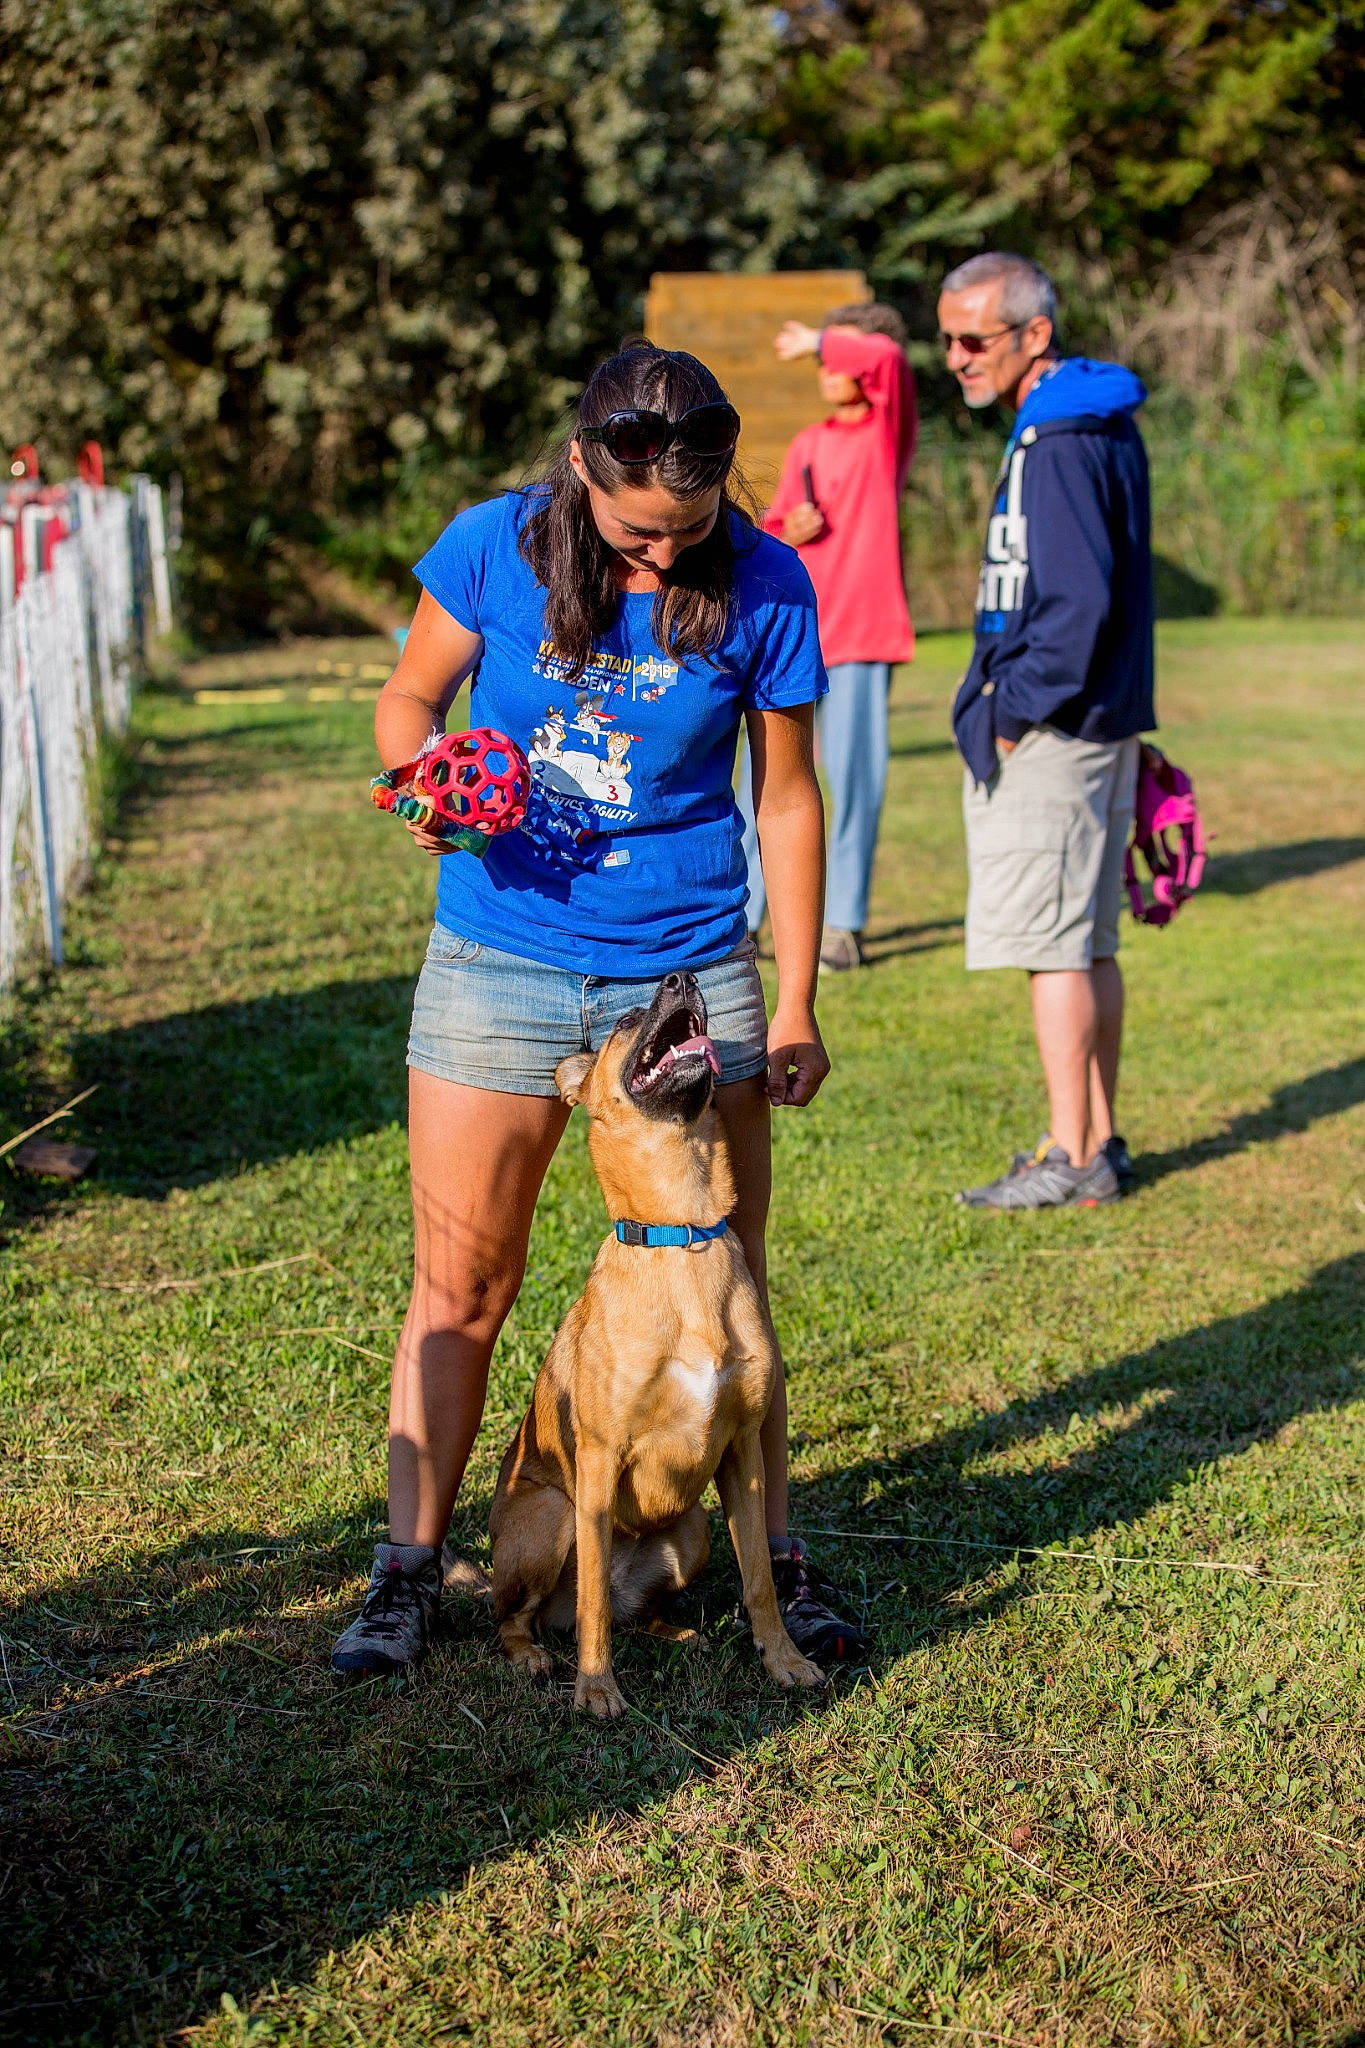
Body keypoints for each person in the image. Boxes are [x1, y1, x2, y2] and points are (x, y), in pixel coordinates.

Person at [331, 340, 867, 1677]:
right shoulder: (493, 545)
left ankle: (781, 1561)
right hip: (499, 962)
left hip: (684, 971)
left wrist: (796, 1001)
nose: (662, 556)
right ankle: (407, 1571)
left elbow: (787, 797)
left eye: (687, 529)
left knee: (729, 1281)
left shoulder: (765, 580)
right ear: (580, 467)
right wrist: (422, 783)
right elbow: (409, 698)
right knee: (464, 1281)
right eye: (636, 535)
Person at [938, 253, 1156, 1210]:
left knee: (1055, 950)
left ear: (1034, 334)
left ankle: (1068, 1154)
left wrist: (1010, 714)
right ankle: (1095, 1142)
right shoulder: (1086, 416)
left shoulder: (1059, 435)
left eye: (972, 338)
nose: (956, 357)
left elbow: (1076, 602)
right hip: (1092, 720)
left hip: (1055, 730)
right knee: (1087, 943)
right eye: (946, 340)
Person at [738, 303, 918, 972]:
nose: (826, 367)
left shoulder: (886, 435)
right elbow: (774, 531)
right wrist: (791, 528)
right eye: (823, 359)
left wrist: (821, 337)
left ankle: (843, 924)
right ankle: (744, 919)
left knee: (852, 780)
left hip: (863, 636)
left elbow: (889, 357)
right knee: (762, 783)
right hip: (795, 638)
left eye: (838, 358)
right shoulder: (809, 443)